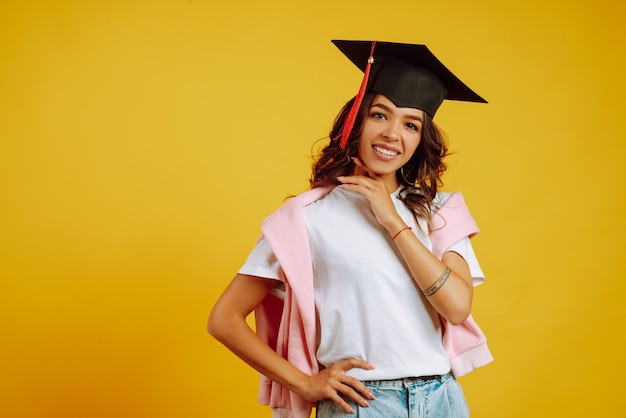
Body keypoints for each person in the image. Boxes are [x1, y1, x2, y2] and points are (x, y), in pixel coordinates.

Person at [208, 40, 492, 418]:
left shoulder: (439, 211)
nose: (393, 133)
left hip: (442, 399)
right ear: (356, 122)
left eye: (410, 124)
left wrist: (392, 220)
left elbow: (456, 308)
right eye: (380, 115)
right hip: (364, 405)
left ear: (419, 140)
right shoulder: (305, 219)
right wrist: (306, 383)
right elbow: (223, 319)